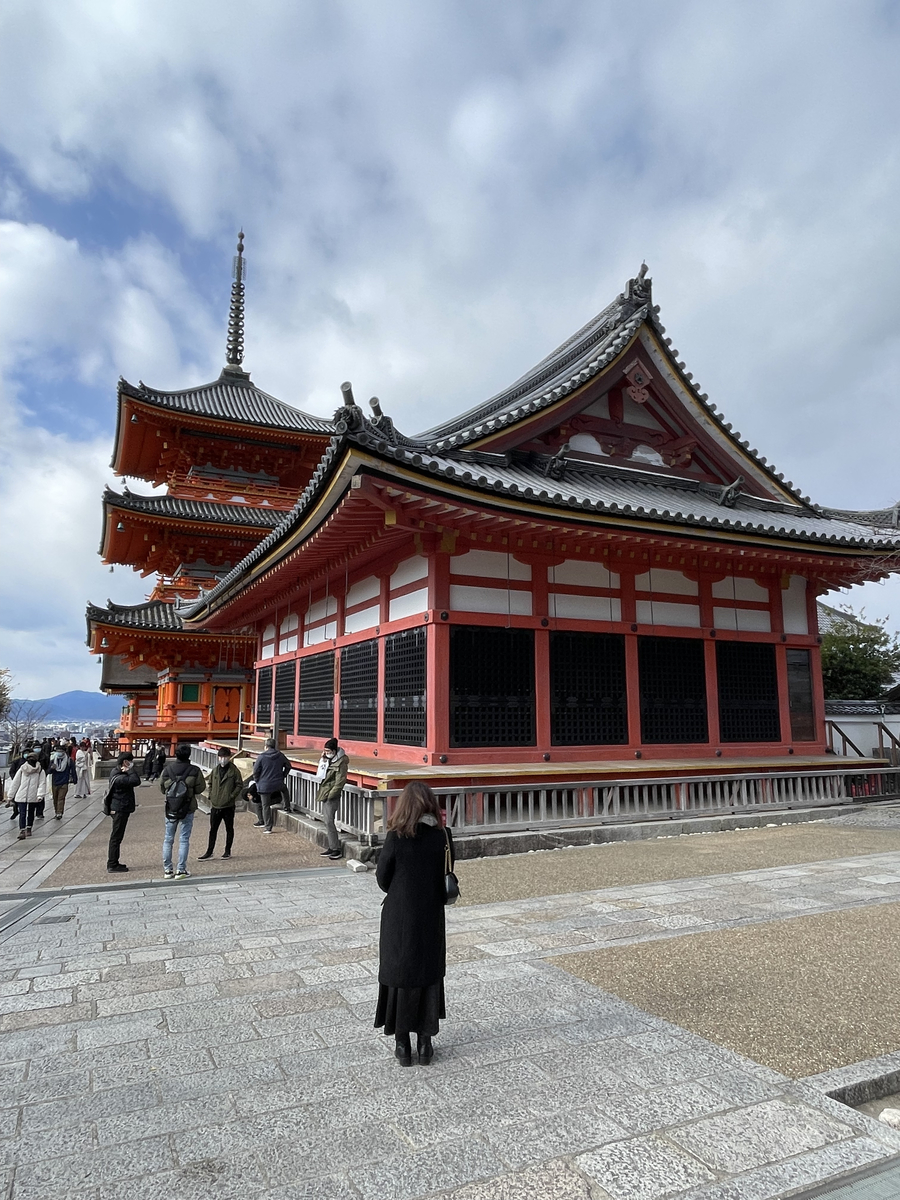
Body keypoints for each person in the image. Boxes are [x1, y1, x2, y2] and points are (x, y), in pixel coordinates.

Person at [374, 781, 454, 1067]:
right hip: (430, 914)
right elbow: (447, 871)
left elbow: (383, 878)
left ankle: (402, 1044)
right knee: (427, 973)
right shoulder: (442, 836)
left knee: (400, 974)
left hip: (400, 915)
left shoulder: (396, 836)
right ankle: (425, 1042)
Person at [159, 743, 206, 879]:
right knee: (184, 839)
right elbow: (200, 788)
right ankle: (181, 869)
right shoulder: (194, 770)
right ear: (189, 755)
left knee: (168, 839)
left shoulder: (167, 770)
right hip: (188, 807)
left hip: (171, 807)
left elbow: (162, 788)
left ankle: (168, 870)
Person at [198, 746, 243, 860]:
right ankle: (209, 851)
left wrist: (231, 796)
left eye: (225, 757)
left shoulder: (234, 771)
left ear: (229, 757)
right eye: (221, 757)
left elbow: (239, 785)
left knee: (229, 828)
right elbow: (210, 783)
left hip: (228, 805)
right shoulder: (215, 770)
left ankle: (227, 850)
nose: (223, 759)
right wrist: (211, 795)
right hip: (215, 804)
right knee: (213, 829)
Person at [104, 752, 141, 872]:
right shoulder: (119, 777)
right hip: (119, 808)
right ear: (125, 762)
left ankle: (114, 861)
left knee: (117, 836)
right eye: (130, 761)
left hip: (120, 807)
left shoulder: (117, 772)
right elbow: (136, 781)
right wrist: (130, 770)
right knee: (116, 837)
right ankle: (112, 864)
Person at [315, 737, 349, 859]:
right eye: (325, 751)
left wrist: (331, 794)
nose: (326, 753)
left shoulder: (341, 762)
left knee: (329, 821)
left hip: (331, 794)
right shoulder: (329, 760)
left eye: (328, 751)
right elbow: (321, 774)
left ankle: (336, 849)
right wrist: (323, 761)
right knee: (326, 821)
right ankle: (332, 846)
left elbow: (340, 781)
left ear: (334, 751)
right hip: (325, 792)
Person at [251, 737, 291, 835]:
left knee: (265, 806)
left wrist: (257, 781)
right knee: (285, 790)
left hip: (264, 785)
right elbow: (288, 766)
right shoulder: (280, 755)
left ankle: (268, 827)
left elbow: (255, 771)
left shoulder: (261, 757)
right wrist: (283, 775)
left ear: (266, 746)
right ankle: (287, 806)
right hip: (278, 782)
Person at [7, 749, 48, 840]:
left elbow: (42, 783)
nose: (31, 760)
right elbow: (15, 783)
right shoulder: (22, 769)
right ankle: (22, 830)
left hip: (33, 795)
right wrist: (10, 796)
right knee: (22, 813)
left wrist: (40, 795)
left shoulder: (40, 770)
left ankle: (29, 827)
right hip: (21, 794)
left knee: (31, 813)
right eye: (29, 758)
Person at [48, 745, 77, 820]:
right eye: (58, 751)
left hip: (64, 782)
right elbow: (49, 771)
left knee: (61, 798)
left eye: (61, 751)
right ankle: (56, 811)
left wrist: (75, 779)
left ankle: (59, 813)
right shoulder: (53, 760)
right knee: (55, 798)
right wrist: (52, 768)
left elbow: (73, 770)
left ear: (64, 752)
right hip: (55, 782)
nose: (59, 753)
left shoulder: (69, 760)